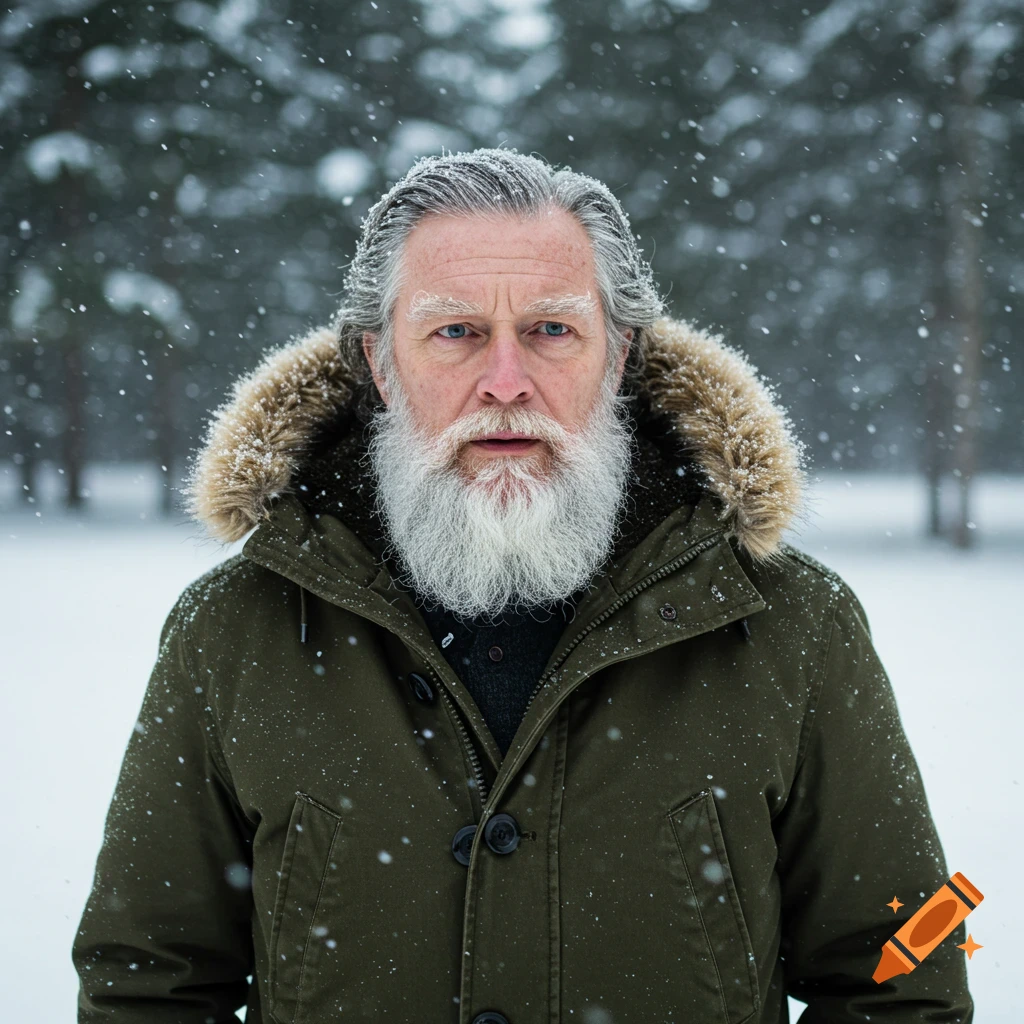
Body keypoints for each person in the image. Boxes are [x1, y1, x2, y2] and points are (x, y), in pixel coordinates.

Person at [72, 148, 975, 1023]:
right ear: (383, 365)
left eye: (550, 330)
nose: (505, 383)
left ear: (617, 356)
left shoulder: (793, 624)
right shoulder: (233, 628)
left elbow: (904, 974)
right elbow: (145, 984)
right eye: (456, 332)